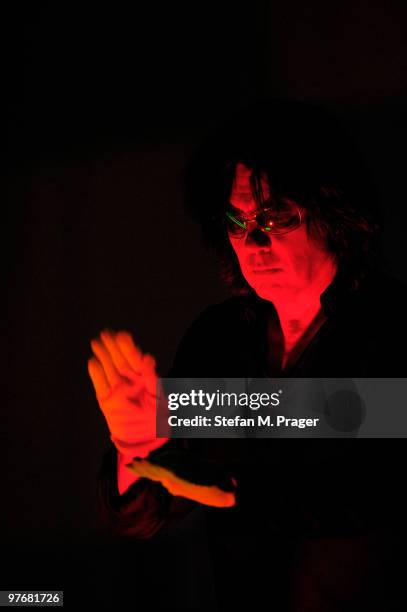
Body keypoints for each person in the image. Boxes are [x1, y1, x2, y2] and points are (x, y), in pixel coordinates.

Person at [88, 99, 407, 611]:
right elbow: (140, 515)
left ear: (334, 214)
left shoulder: (394, 325)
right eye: (237, 222)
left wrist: (183, 409)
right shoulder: (219, 337)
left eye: (276, 216)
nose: (254, 242)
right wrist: (135, 448)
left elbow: (365, 417)